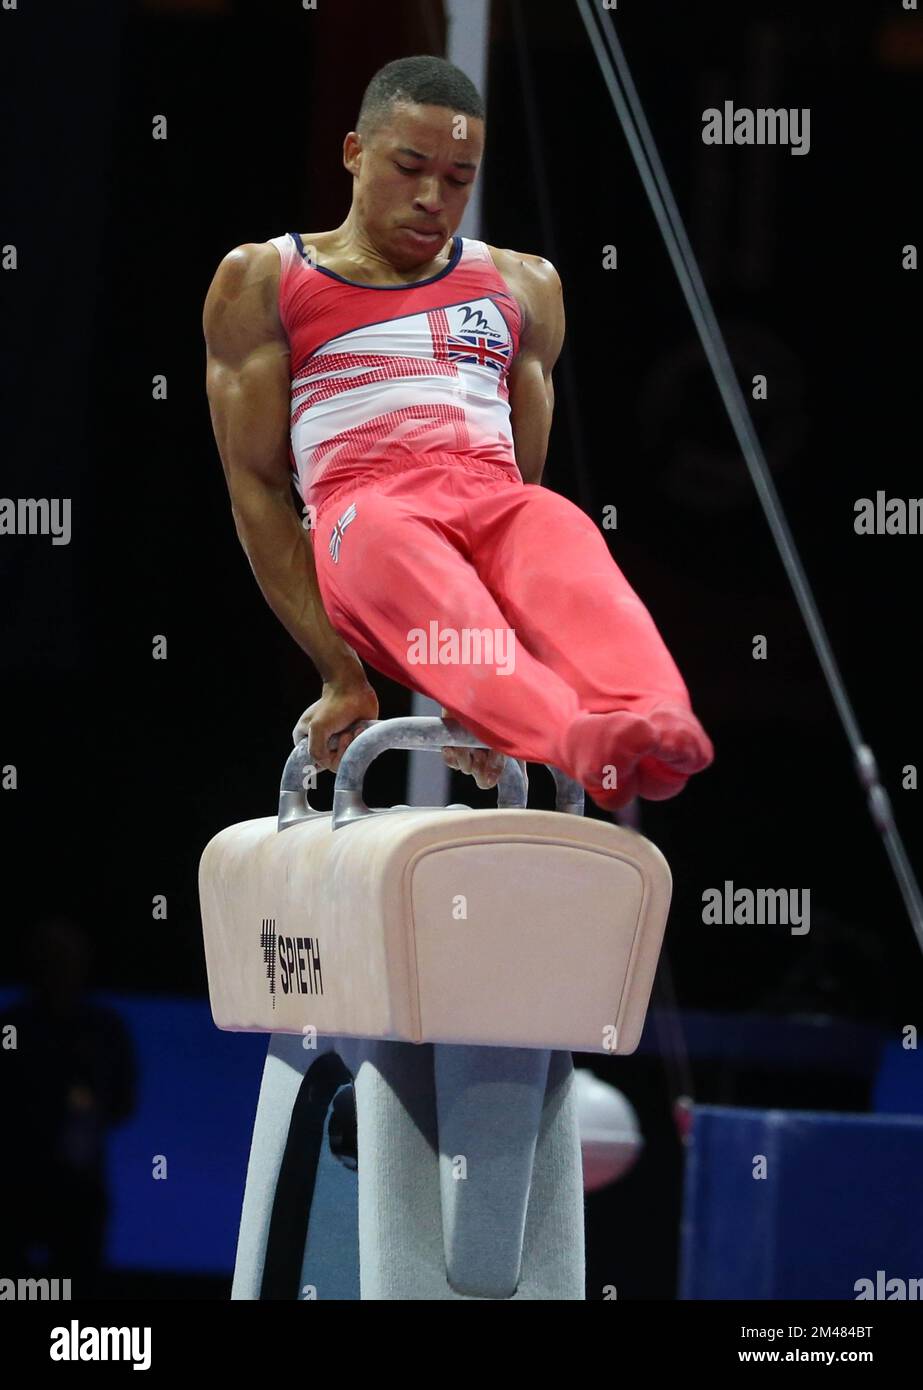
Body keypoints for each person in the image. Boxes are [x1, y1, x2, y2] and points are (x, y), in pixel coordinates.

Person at [203, 55, 713, 811]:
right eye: (409, 168)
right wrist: (340, 672)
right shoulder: (266, 278)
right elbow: (257, 492)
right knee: (395, 544)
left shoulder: (524, 285)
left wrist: (467, 691)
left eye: (458, 177)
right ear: (354, 152)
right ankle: (572, 738)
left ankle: (652, 714)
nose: (432, 199)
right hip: (364, 512)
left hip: (483, 495)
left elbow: (520, 492)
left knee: (554, 524)